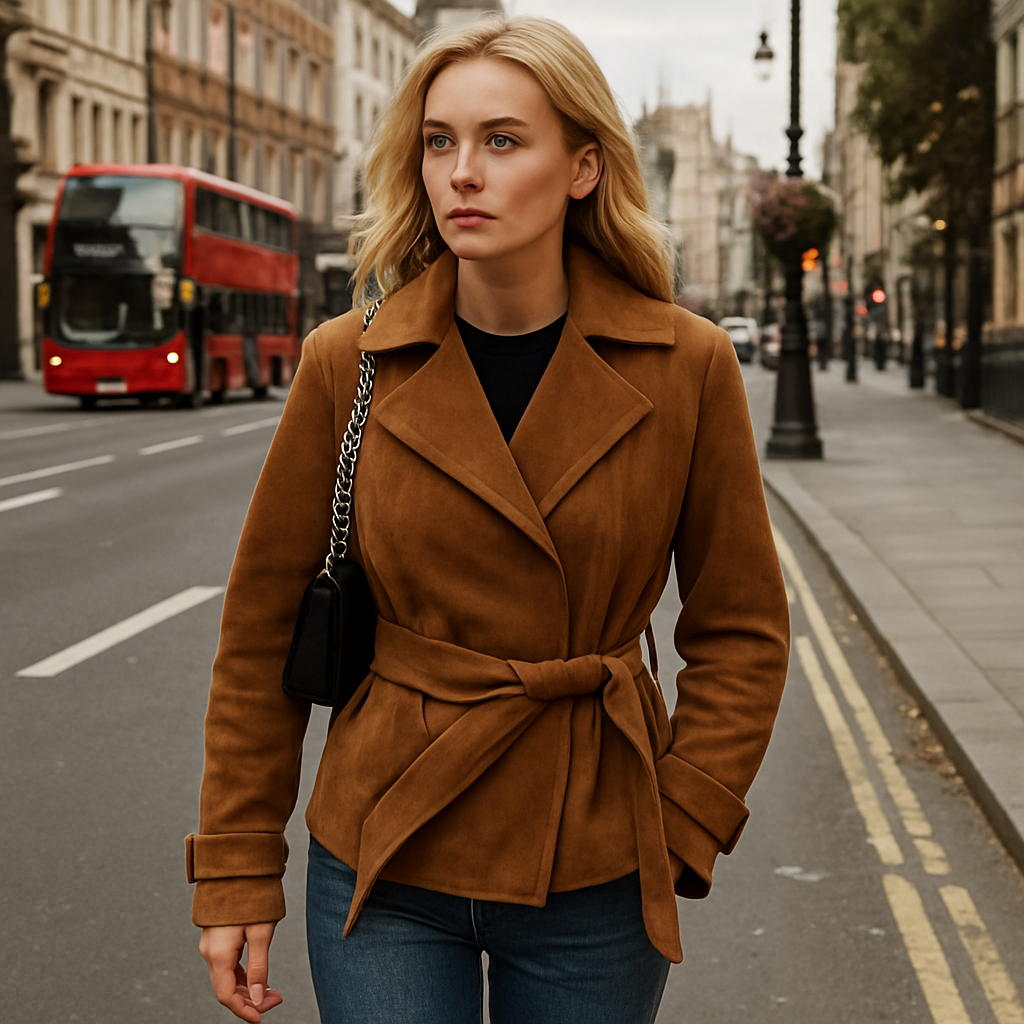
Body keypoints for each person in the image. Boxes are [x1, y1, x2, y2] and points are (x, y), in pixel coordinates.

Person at [187, 15, 790, 1024]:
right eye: (440, 141)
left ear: (583, 166)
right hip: (385, 842)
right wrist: (238, 867)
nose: (462, 171)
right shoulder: (351, 360)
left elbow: (741, 628)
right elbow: (259, 635)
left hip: (595, 854)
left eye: (501, 140)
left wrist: (685, 815)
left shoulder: (686, 366)